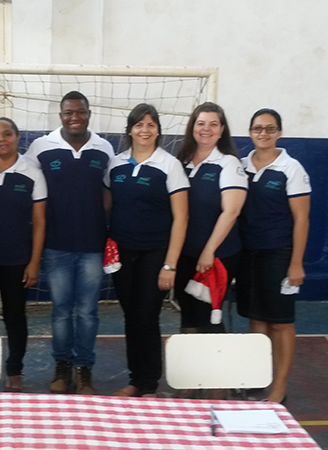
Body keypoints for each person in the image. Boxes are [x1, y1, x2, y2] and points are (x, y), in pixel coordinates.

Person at [24, 91, 114, 394]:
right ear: (60, 115)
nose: (74, 117)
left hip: (92, 247)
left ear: (89, 113)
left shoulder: (103, 148)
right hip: (56, 246)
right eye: (68, 112)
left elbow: (108, 193)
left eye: (80, 112)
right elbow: (26, 183)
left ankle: (84, 368)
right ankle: (62, 364)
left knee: (88, 312)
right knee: (61, 311)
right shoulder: (41, 147)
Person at [105, 103, 189, 397]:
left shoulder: (169, 165)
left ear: (158, 130)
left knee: (147, 316)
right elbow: (107, 205)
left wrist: (170, 264)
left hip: (155, 253)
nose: (145, 130)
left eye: (150, 125)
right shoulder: (115, 164)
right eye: (139, 125)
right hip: (122, 254)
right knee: (131, 316)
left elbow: (181, 217)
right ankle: (136, 379)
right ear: (130, 130)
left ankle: (150, 384)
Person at [173, 103, 247, 398]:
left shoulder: (228, 164)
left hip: (217, 256)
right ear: (193, 127)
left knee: (208, 318)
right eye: (201, 123)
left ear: (222, 130)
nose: (206, 129)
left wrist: (209, 251)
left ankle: (219, 384)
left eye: (213, 124)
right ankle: (192, 380)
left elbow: (231, 211)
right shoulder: (181, 162)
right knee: (188, 317)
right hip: (183, 254)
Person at [237, 108, 311, 404]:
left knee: (280, 323)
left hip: (279, 255)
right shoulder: (241, 165)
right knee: (256, 320)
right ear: (250, 132)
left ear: (279, 132)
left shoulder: (291, 168)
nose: (263, 134)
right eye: (258, 128)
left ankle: (279, 387)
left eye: (270, 129)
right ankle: (258, 378)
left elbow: (302, 219)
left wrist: (296, 263)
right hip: (247, 254)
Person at [0, 117, 47, 392]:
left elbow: (39, 222)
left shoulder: (33, 173)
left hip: (17, 260)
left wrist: (34, 261)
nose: (1, 139)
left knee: (15, 316)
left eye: (7, 134)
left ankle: (15, 370)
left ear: (17, 137)